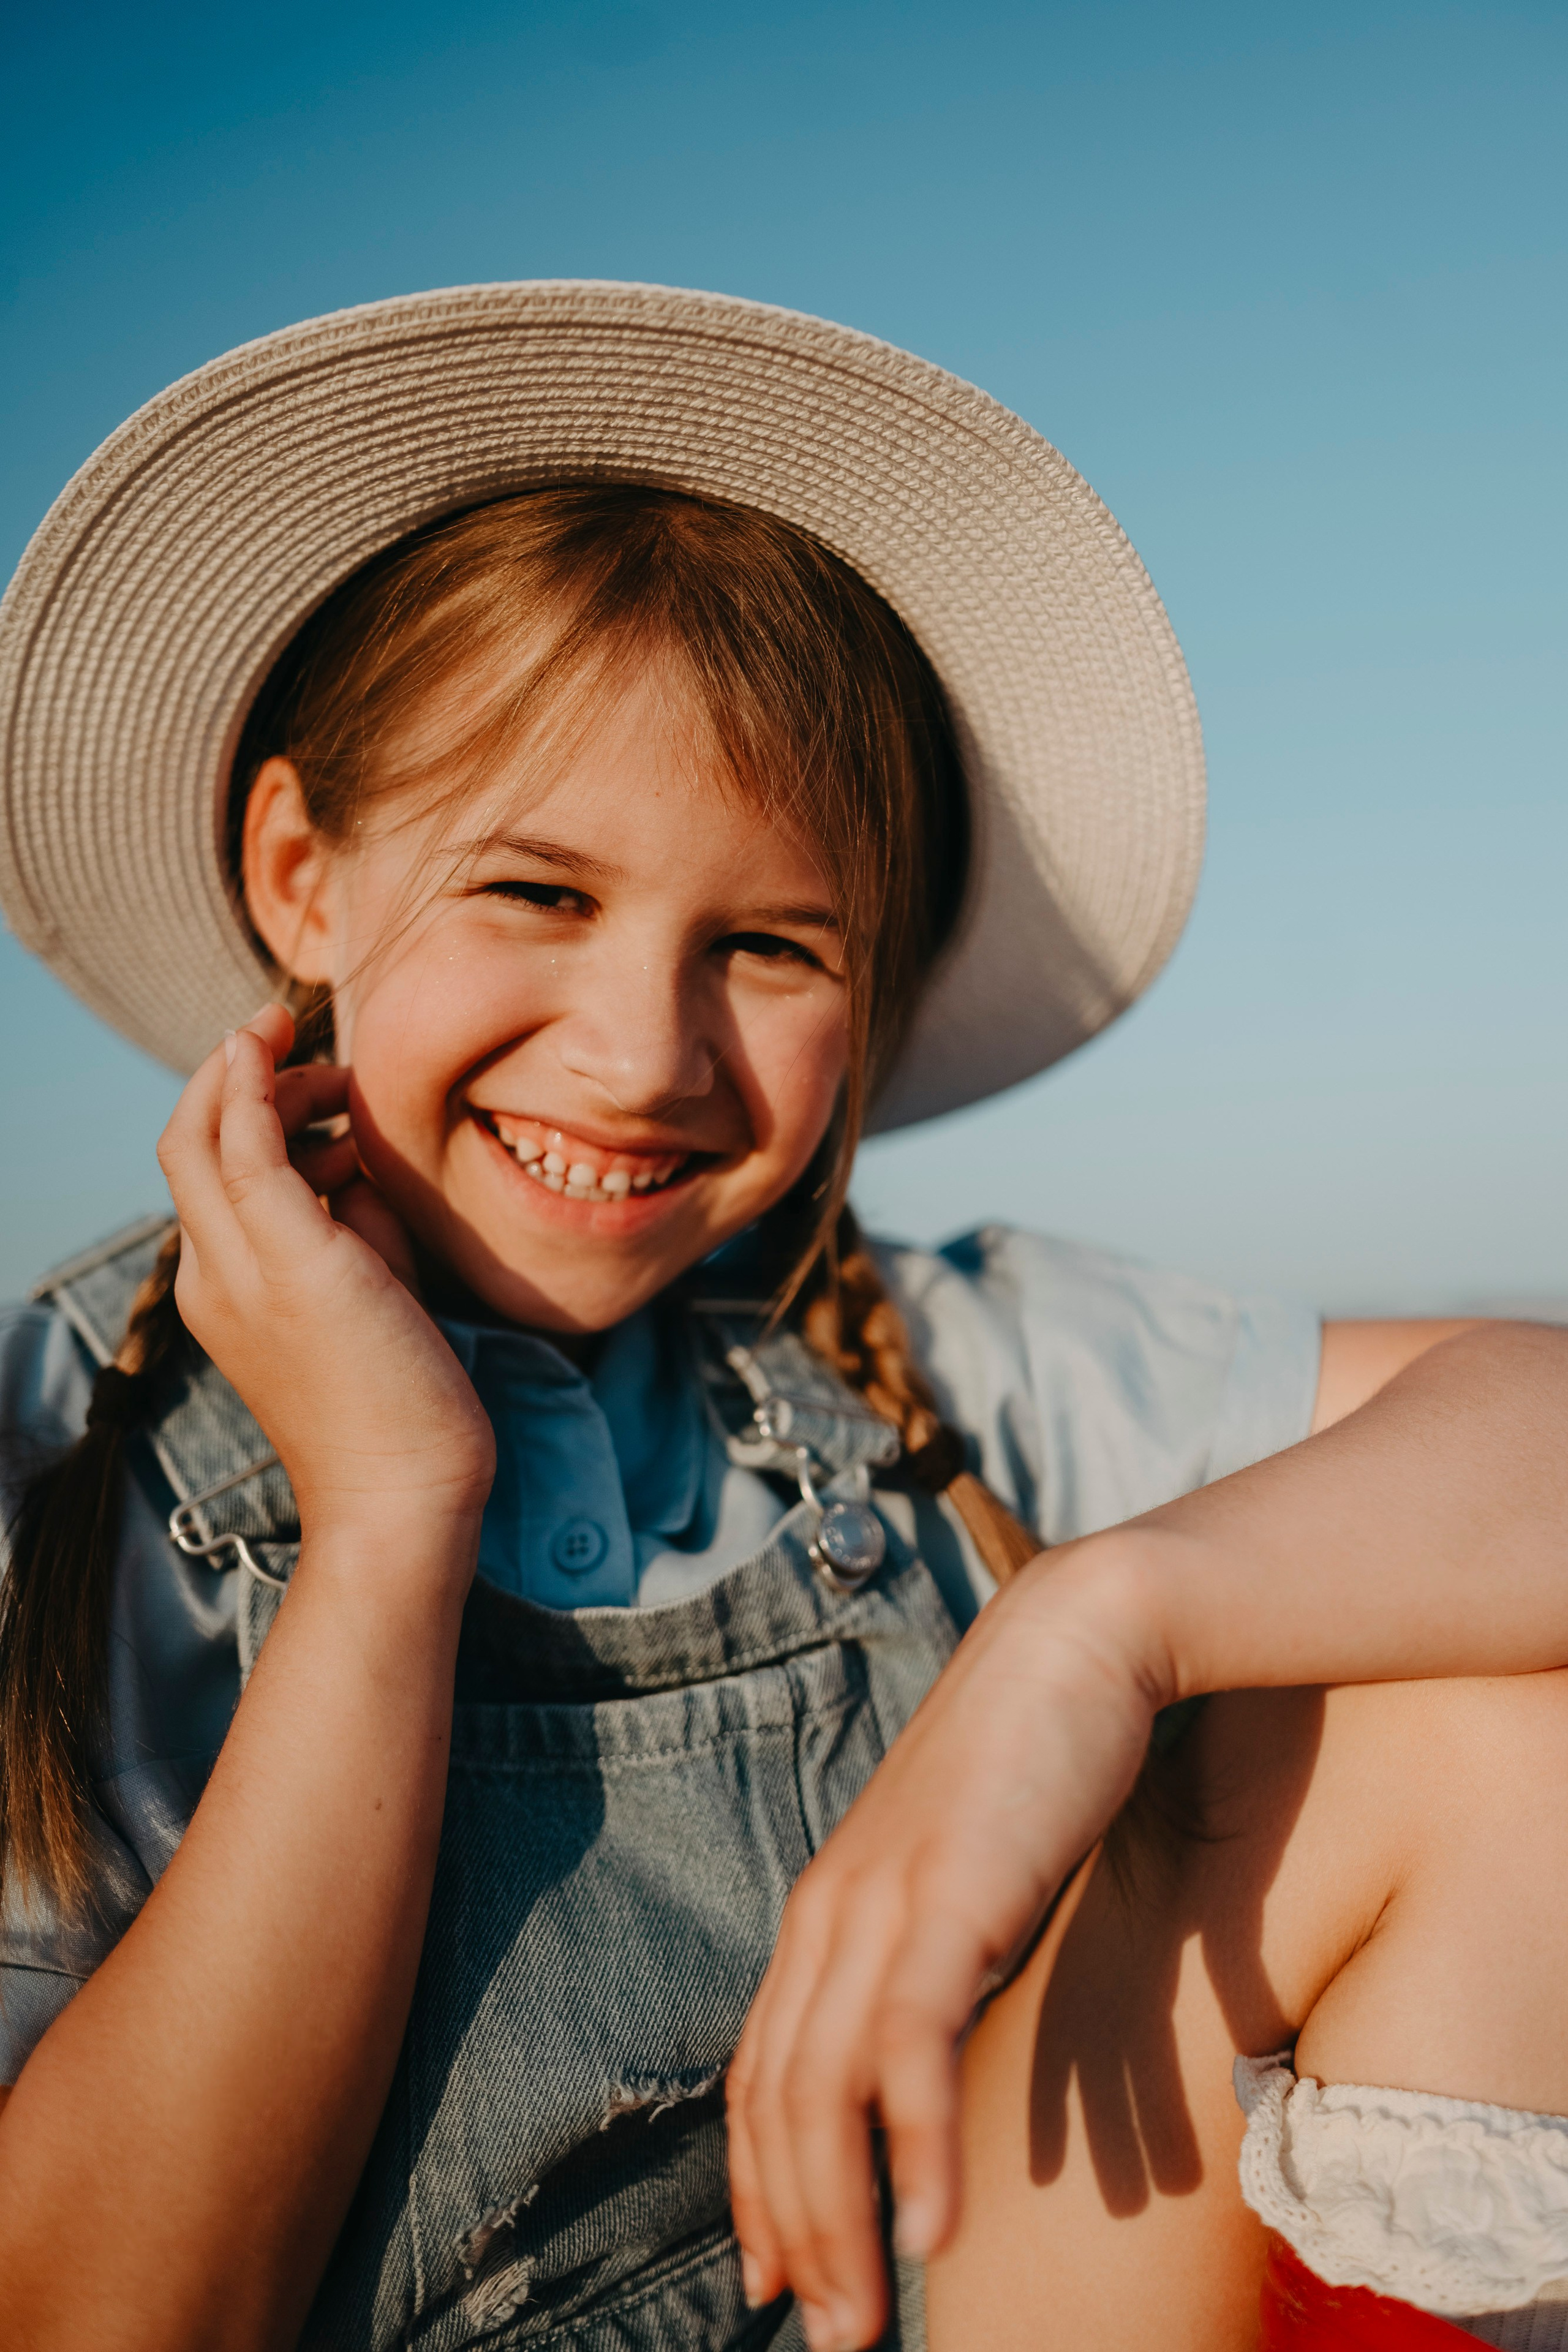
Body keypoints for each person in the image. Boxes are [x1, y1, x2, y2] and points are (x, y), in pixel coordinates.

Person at [0, 284, 1563, 2352]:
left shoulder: (892, 1368)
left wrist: (1093, 1630)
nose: (645, 1057)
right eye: (537, 894)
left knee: (1475, 1713)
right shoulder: (57, 1449)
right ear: (305, 876)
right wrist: (388, 1515)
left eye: (769, 944)